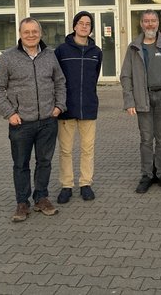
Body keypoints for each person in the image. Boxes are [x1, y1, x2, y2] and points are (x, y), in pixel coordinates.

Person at [0, 17, 67, 222]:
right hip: (21, 123)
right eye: (27, 32)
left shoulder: (50, 55)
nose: (31, 35)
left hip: (48, 121)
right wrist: (9, 113)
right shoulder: (7, 58)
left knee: (44, 162)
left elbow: (60, 82)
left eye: (35, 31)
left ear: (40, 33)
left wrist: (59, 106)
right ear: (20, 34)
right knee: (21, 164)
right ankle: (22, 203)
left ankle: (41, 198)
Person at [120, 10, 161, 194]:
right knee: (146, 140)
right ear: (141, 24)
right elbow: (126, 76)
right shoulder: (134, 47)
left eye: (153, 21)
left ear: (158, 23)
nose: (150, 24)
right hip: (143, 98)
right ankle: (147, 175)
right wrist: (129, 101)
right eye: (146, 21)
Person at [54, 11, 102, 203]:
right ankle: (66, 185)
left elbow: (94, 77)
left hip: (88, 107)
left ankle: (85, 184)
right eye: (81, 23)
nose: (84, 26)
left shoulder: (96, 52)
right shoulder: (62, 51)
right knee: (65, 150)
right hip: (66, 108)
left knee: (87, 149)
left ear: (91, 28)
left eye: (88, 24)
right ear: (74, 26)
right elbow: (56, 79)